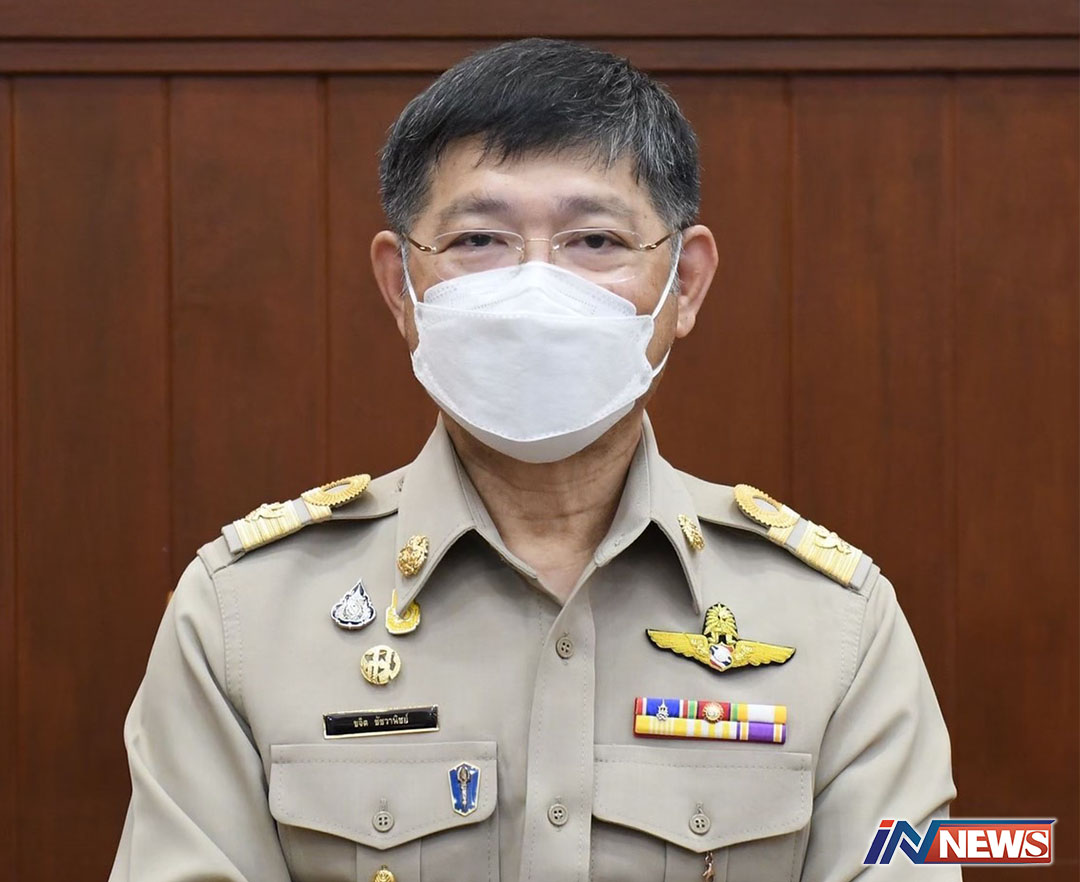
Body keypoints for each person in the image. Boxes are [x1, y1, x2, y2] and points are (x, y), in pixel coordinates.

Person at [109, 37, 957, 882]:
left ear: (685, 283)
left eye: (596, 241)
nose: (535, 292)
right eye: (480, 240)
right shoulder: (243, 617)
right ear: (401, 287)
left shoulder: (835, 626)